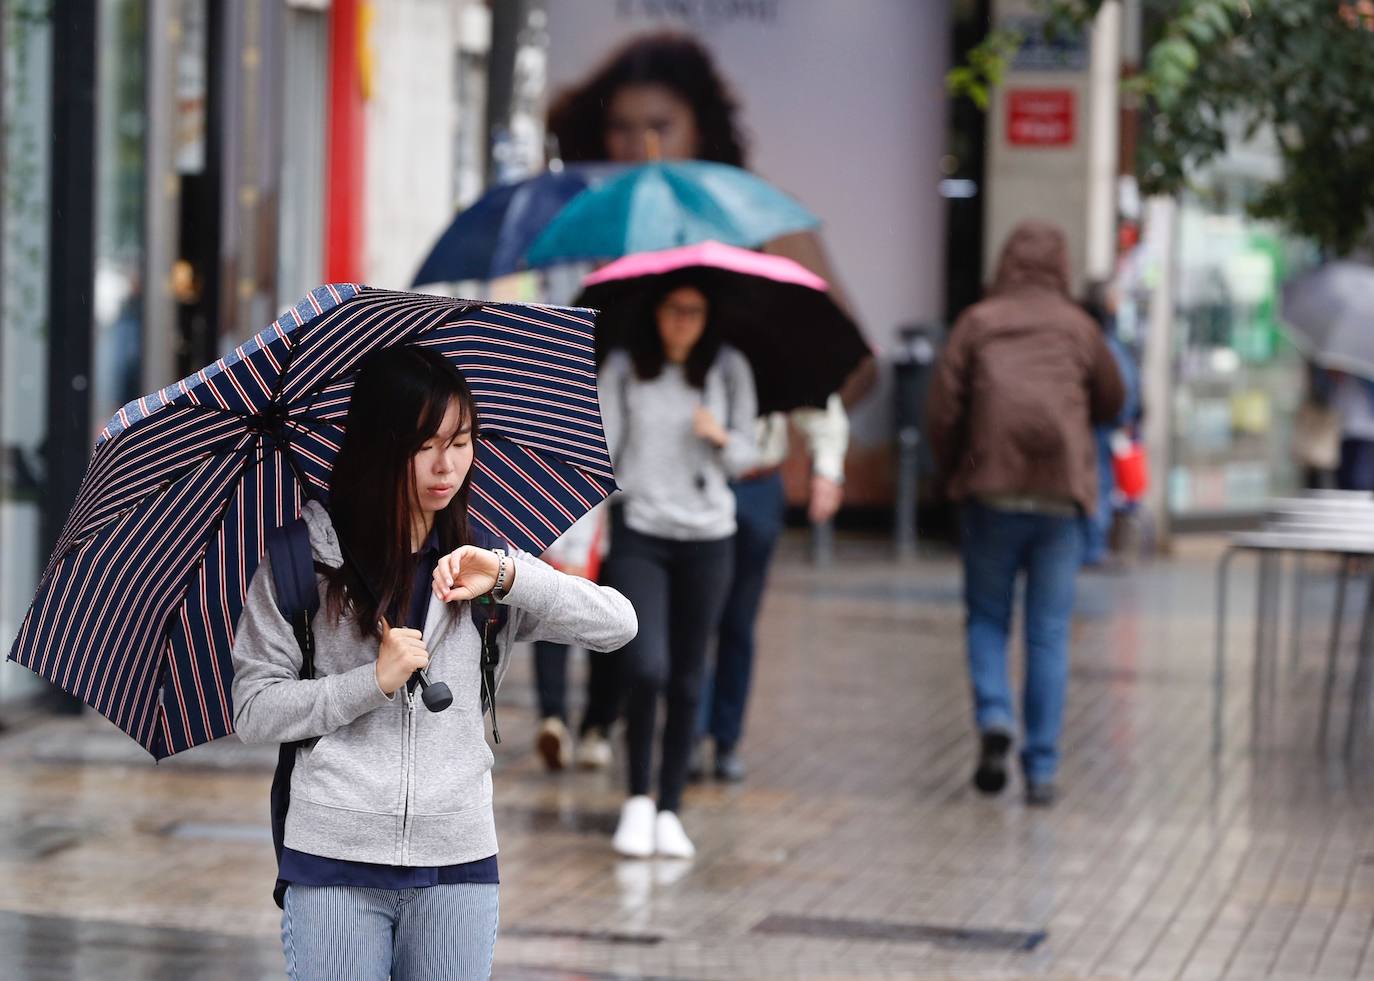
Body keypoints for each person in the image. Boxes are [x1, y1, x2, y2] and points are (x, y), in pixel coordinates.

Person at [231, 345, 637, 979]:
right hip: (335, 863)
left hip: (458, 863)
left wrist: (510, 575)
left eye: (461, 440)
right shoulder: (301, 561)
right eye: (424, 445)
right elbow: (253, 710)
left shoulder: (482, 567)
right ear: (378, 445)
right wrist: (369, 683)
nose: (446, 466)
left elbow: (619, 625)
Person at [548, 31, 860, 782]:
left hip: (741, 486)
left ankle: (716, 740)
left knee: (728, 625)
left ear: (701, 126)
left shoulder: (763, 241)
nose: (639, 144)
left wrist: (812, 455)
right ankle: (638, 740)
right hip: (646, 498)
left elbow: (835, 364)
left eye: (660, 124)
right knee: (647, 630)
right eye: (622, 127)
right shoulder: (608, 248)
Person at [926, 221, 1124, 808]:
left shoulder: (979, 322)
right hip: (1060, 497)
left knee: (988, 619)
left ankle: (995, 716)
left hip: (991, 493)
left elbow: (941, 408)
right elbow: (1115, 399)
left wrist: (955, 469)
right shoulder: (1079, 327)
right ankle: (1040, 768)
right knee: (1048, 633)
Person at [599, 275, 757, 858]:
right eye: (672, 310)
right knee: (647, 665)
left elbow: (752, 452)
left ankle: (669, 806)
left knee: (691, 676)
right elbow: (605, 449)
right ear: (655, 313)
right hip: (641, 531)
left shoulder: (729, 368)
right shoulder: (623, 366)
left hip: (710, 536)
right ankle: (637, 797)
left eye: (694, 311)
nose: (682, 322)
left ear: (708, 316)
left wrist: (722, 439)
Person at [530, 504, 618, 771]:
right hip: (557, 539)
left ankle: (597, 727)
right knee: (549, 624)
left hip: (608, 542)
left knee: (607, 637)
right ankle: (553, 719)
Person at [1079, 280, 1140, 568]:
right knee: (1099, 484)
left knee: (1104, 485)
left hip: (1106, 422)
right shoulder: (1101, 339)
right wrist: (1122, 415)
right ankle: (1092, 547)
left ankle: (1094, 545)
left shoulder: (1106, 336)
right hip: (1101, 425)